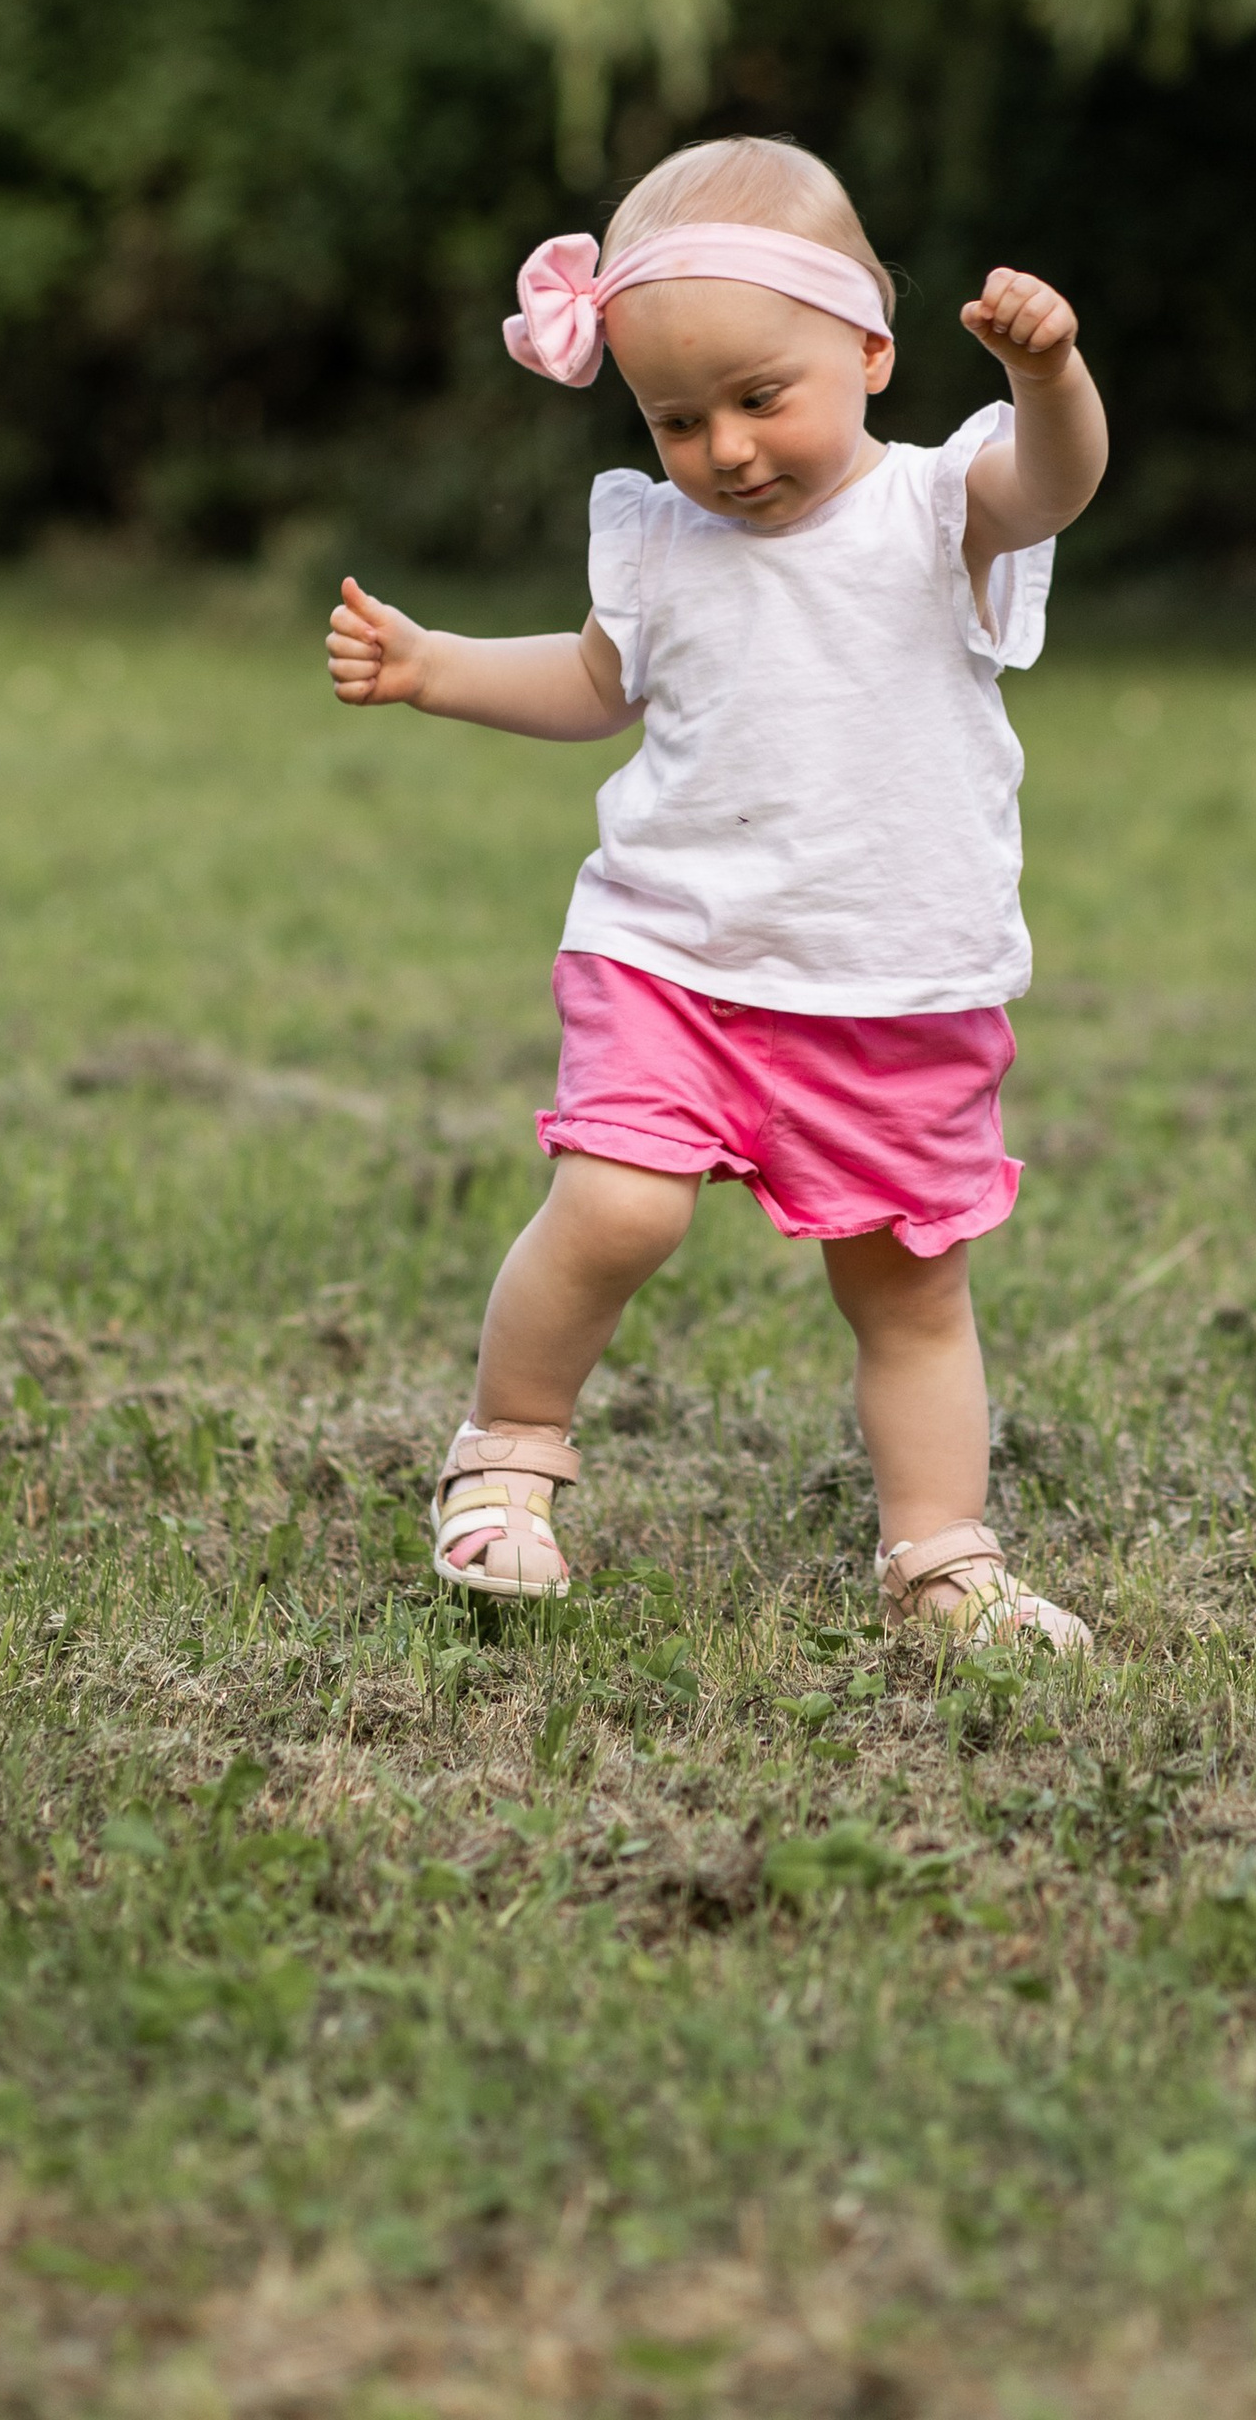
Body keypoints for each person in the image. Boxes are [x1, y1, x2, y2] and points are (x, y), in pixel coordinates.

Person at [325, 135, 1109, 1648]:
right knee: (615, 1207)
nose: (728, 448)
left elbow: (1058, 482)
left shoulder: (941, 508)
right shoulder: (666, 543)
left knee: (909, 1292)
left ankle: (942, 1558)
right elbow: (590, 679)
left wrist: (1049, 374)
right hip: (670, 958)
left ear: (872, 350)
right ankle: (504, 1461)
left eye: (762, 398)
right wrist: (434, 669)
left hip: (893, 984)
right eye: (679, 418)